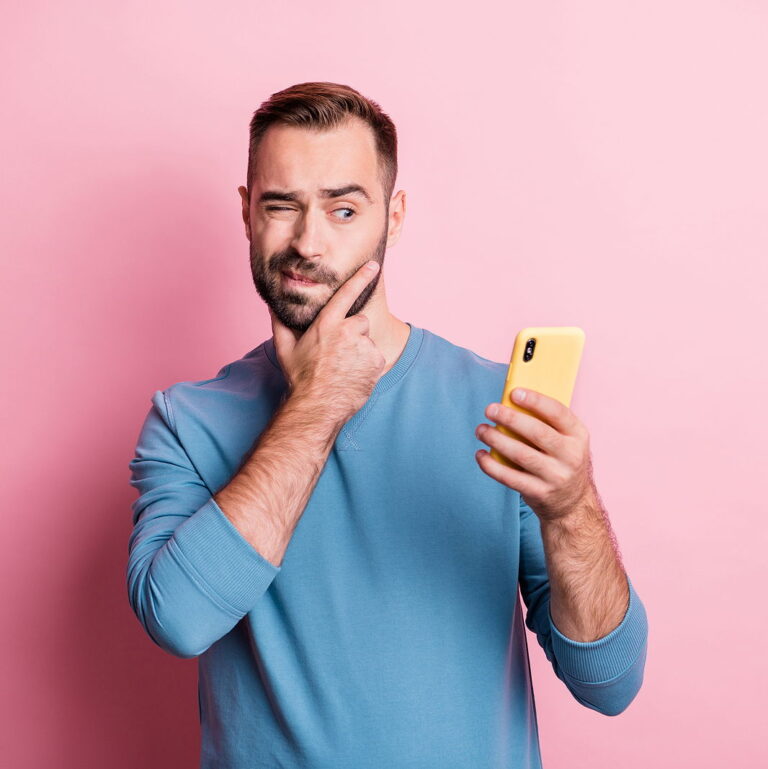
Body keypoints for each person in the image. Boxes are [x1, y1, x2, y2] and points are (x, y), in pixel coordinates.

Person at [127, 81, 648, 769]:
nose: (309, 241)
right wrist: (317, 403)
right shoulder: (186, 421)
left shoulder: (497, 404)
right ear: (248, 212)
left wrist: (572, 507)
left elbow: (609, 682)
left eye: (344, 209)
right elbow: (179, 618)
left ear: (393, 217)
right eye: (282, 207)